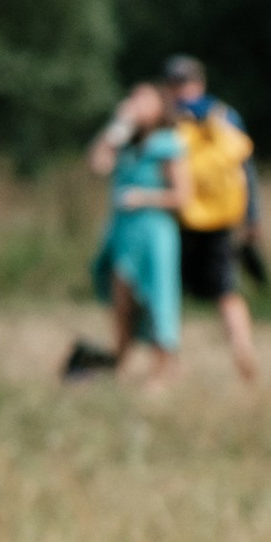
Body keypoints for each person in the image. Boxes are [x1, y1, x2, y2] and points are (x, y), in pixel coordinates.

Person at [161, 56, 261, 384]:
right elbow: (245, 168)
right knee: (226, 291)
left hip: (180, 216)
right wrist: (252, 217)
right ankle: (243, 355)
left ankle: (166, 363)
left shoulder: (169, 119)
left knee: (171, 292)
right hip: (218, 218)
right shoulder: (225, 116)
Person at [85, 85, 186, 385]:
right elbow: (98, 165)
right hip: (123, 232)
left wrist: (144, 197)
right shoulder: (124, 143)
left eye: (145, 100)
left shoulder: (169, 144)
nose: (137, 104)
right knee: (122, 302)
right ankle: (119, 362)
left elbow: (183, 196)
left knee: (158, 301)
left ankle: (162, 370)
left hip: (155, 232)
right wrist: (117, 127)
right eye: (134, 98)